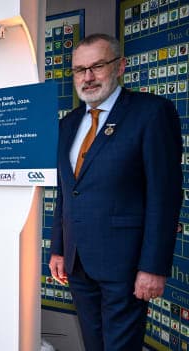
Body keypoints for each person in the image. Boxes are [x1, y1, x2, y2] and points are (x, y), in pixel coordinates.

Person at [49, 33, 182, 350]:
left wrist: (152, 267)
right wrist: (58, 248)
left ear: (120, 66)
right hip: (78, 262)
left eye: (97, 65)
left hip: (126, 265)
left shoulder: (150, 113)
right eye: (80, 69)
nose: (88, 77)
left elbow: (164, 196)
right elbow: (68, 191)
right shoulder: (68, 124)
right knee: (94, 344)